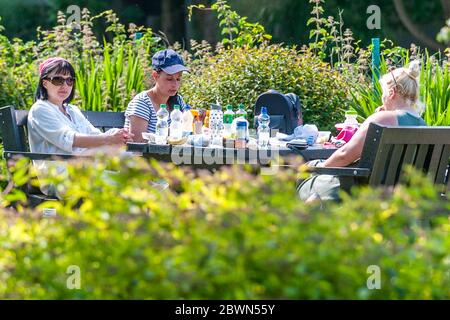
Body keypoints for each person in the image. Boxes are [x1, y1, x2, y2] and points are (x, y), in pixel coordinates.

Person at [298, 60, 427, 202]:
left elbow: (344, 155)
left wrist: (321, 167)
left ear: (392, 92)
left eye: (383, 94)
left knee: (305, 172)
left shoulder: (383, 118)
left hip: (361, 192)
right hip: (400, 196)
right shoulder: (423, 125)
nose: (382, 99)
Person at [28, 57, 133, 196]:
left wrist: (118, 136)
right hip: (60, 178)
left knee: (131, 181)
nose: (65, 85)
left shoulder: (72, 110)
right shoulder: (40, 109)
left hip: (86, 169)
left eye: (69, 80)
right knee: (127, 186)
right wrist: (108, 139)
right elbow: (68, 139)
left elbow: (94, 135)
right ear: (45, 83)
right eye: (58, 80)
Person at [125, 49, 190, 142]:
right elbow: (136, 143)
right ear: (155, 76)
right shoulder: (142, 102)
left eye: (178, 79)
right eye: (169, 79)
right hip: (146, 156)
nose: (175, 84)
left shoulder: (178, 100)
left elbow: (187, 131)